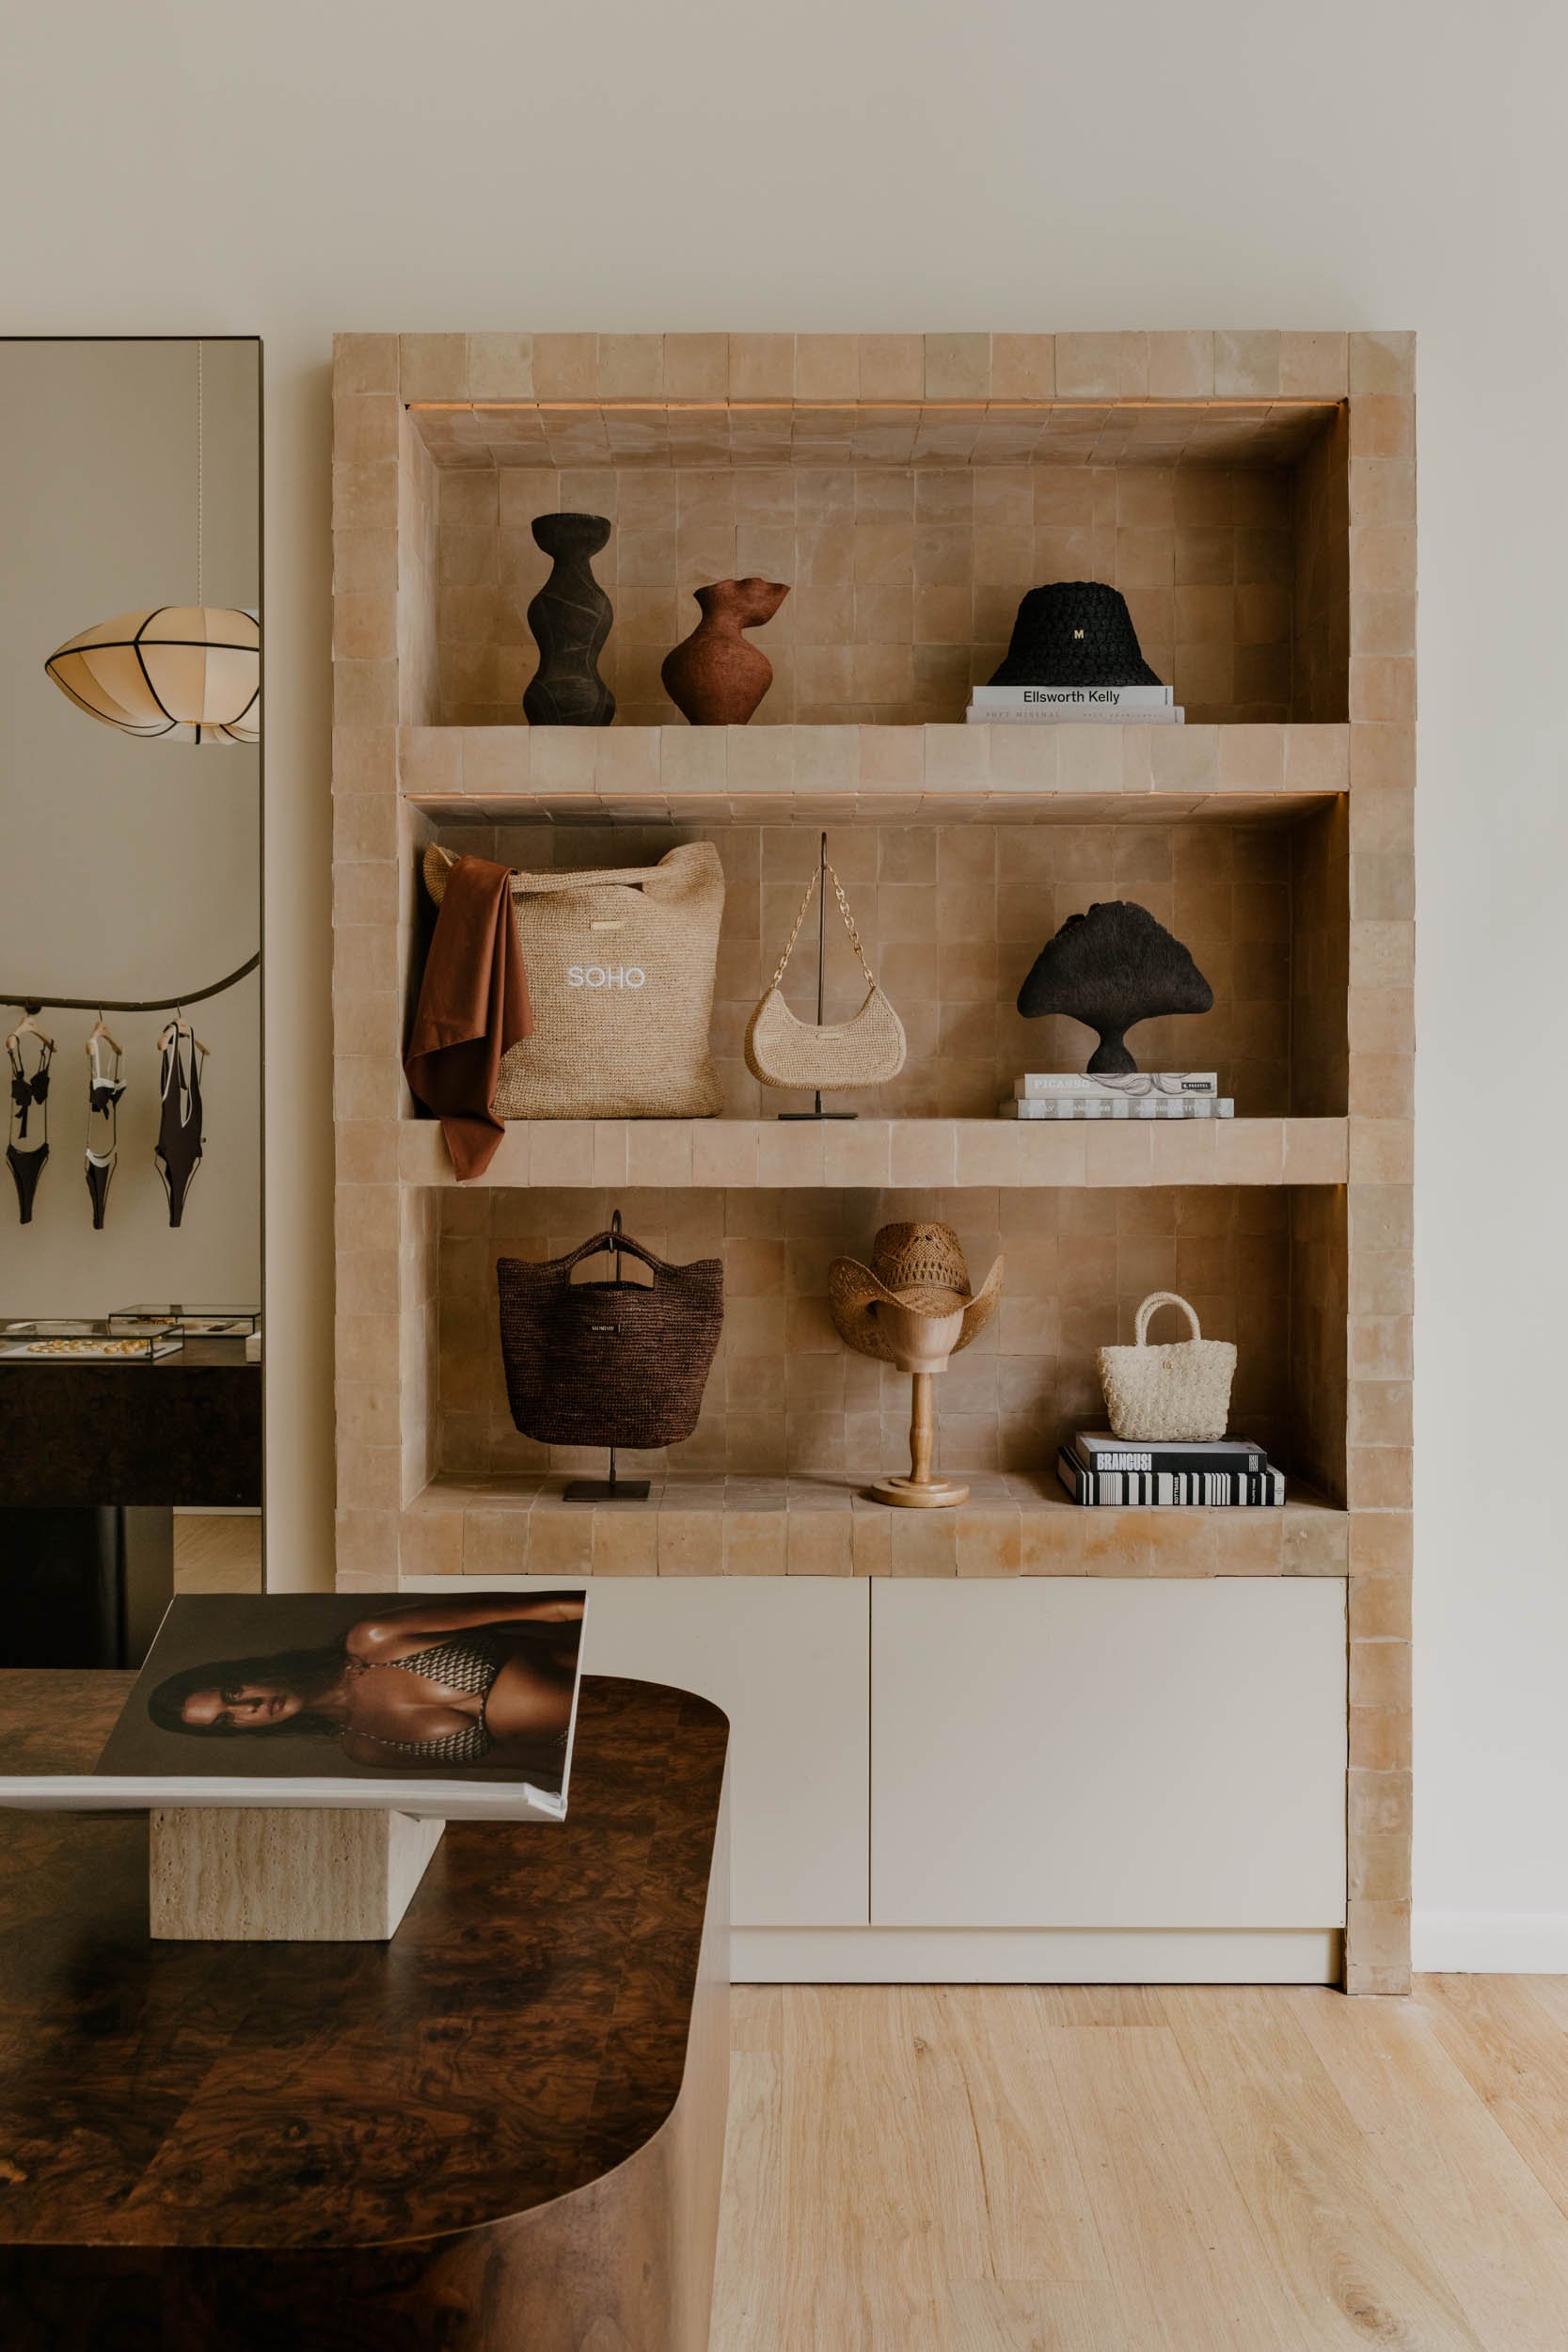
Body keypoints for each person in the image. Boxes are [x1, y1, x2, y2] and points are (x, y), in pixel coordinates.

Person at [147, 1592, 585, 1771]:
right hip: (596, 1741)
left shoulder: (374, 1639)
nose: (249, 1708)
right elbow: (528, 1762)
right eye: (228, 1719)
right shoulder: (366, 1749)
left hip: (605, 1671)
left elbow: (546, 1609)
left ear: (248, 1674)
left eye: (233, 1693)